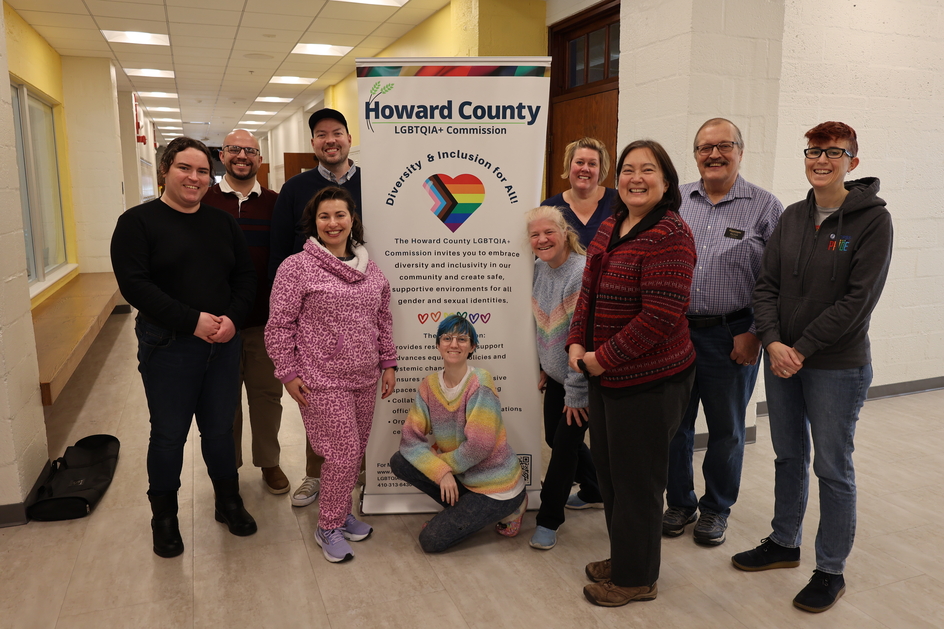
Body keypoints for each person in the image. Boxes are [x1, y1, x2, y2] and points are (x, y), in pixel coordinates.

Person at [732, 122, 893, 613]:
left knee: (832, 467)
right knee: (787, 457)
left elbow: (856, 302)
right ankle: (784, 542)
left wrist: (797, 349)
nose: (821, 160)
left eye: (833, 152)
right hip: (783, 359)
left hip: (835, 367)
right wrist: (774, 341)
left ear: (853, 162)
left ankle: (830, 570)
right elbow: (766, 286)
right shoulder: (794, 215)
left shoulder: (872, 222)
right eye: (814, 151)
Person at [110, 137, 258, 559]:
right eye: (184, 169)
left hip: (222, 345)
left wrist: (232, 318)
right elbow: (136, 286)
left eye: (202, 171)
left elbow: (245, 277)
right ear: (164, 170)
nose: (195, 178)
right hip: (168, 346)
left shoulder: (222, 223)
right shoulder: (136, 223)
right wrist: (192, 321)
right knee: (169, 435)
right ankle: (165, 518)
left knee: (218, 429)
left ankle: (228, 502)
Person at [567, 140, 696, 607]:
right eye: (627, 169)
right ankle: (626, 555)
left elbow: (660, 316)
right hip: (606, 374)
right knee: (612, 473)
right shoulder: (610, 224)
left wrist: (603, 358)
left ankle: (636, 578)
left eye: (647, 170)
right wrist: (577, 341)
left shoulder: (672, 235)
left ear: (665, 182)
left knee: (639, 481)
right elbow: (588, 291)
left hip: (651, 380)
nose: (635, 178)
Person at [665, 118, 784, 545]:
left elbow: (779, 280)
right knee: (673, 426)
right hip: (675, 333)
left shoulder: (765, 207)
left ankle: (716, 509)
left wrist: (755, 331)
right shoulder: (674, 200)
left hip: (732, 335)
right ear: (694, 154)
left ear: (740, 150)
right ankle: (679, 501)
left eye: (724, 146)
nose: (714, 154)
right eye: (704, 147)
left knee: (727, 430)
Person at [265, 186, 397, 563]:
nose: (333, 223)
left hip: (365, 377)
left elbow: (382, 318)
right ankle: (328, 526)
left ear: (352, 219)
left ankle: (342, 514)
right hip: (321, 378)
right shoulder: (297, 267)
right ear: (315, 223)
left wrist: (387, 362)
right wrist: (288, 373)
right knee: (341, 454)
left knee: (353, 455)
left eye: (340, 215)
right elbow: (278, 327)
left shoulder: (368, 267)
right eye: (325, 216)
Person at [269, 107, 362, 508]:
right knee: (320, 402)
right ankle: (315, 474)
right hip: (316, 316)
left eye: (336, 133)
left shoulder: (374, 183)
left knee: (356, 409)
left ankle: (354, 475)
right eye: (321, 135)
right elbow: (279, 251)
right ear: (313, 144)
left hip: (362, 307)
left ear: (348, 138)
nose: (330, 140)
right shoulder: (295, 189)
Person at [389, 315, 527, 553]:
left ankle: (515, 506)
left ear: (472, 347)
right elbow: (410, 438)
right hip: (463, 477)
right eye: (447, 338)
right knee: (399, 461)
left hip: (494, 486)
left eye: (462, 339)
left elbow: (479, 446)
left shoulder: (480, 382)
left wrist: (440, 468)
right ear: (438, 344)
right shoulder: (428, 385)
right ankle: (461, 508)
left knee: (430, 541)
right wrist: (441, 472)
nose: (454, 344)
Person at [203, 129, 288, 495]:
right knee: (223, 402)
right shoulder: (202, 200)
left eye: (250, 151)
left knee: (267, 397)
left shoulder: (275, 203)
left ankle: (269, 462)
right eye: (235, 149)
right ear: (222, 155)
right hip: (215, 325)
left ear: (260, 158)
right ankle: (229, 468)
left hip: (263, 323)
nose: (243, 156)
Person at [524, 206, 600, 551]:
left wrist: (576, 393)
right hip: (556, 375)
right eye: (535, 235)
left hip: (579, 379)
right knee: (556, 440)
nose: (541, 240)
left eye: (548, 232)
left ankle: (548, 520)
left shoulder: (580, 273)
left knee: (564, 449)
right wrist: (544, 365)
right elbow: (546, 326)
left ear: (565, 232)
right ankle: (596, 487)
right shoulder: (540, 268)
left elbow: (581, 339)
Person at [541, 137, 617, 249]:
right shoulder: (550, 208)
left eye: (592, 164)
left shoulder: (619, 202)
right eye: (580, 162)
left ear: (601, 169)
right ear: (569, 165)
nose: (585, 168)